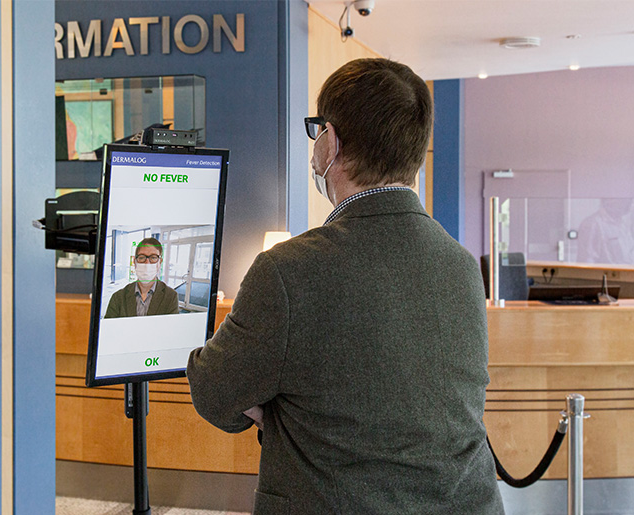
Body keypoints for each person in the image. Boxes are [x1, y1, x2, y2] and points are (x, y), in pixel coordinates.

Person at [186, 58, 504, 514]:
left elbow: (214, 392)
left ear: (328, 142)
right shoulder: (461, 264)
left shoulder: (288, 272)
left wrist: (275, 411)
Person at [104, 237, 179, 318]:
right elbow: (109, 329)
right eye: (142, 257)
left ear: (159, 262)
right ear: (134, 262)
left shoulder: (171, 297)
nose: (147, 263)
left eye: (153, 257)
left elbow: (171, 329)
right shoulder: (118, 298)